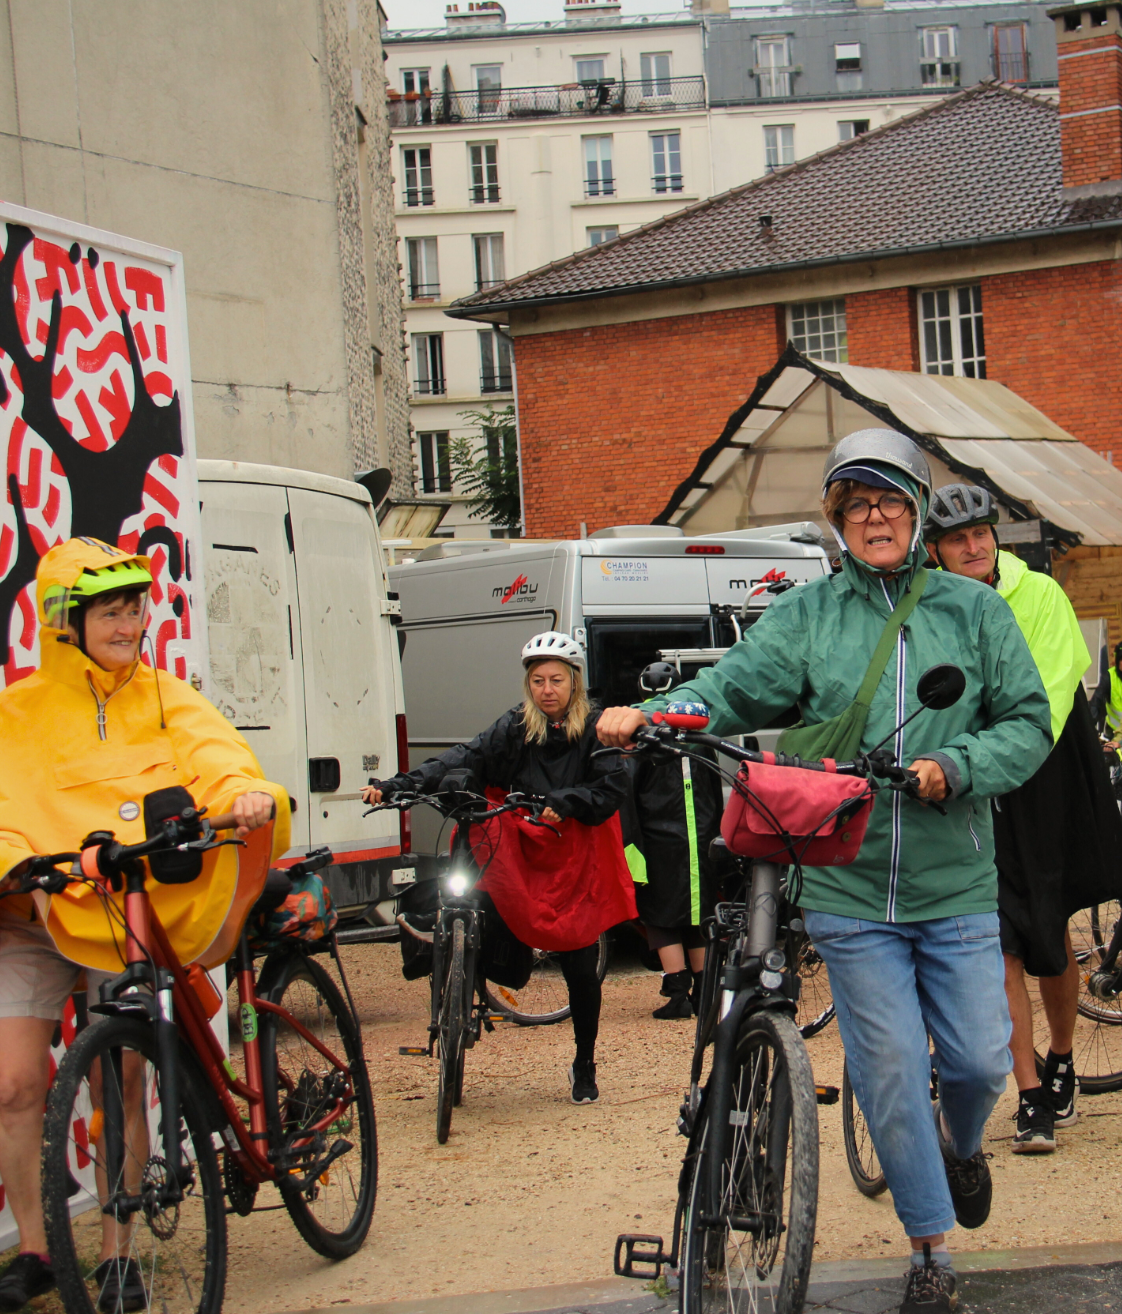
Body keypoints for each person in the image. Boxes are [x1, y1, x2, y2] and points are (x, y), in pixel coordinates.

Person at [597, 431, 1050, 1314]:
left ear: (918, 510)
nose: (874, 516)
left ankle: (962, 1145)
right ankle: (929, 1249)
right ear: (837, 521)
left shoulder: (974, 611)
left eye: (889, 500)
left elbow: (1027, 723)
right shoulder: (807, 616)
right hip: (845, 884)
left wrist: (955, 766)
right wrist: (654, 711)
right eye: (856, 504)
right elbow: (729, 688)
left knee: (979, 1060)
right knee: (884, 1067)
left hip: (953, 877)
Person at [0, 538, 288, 1314]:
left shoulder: (165, 697)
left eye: (135, 610)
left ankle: (119, 1251)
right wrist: (6, 859)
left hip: (125, 907)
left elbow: (216, 756)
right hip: (38, 912)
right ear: (66, 620)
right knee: (18, 1085)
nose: (129, 626)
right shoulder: (15, 712)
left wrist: (244, 794)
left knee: (119, 1077)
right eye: (111, 613)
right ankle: (35, 1252)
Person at [924, 483, 1122, 1156]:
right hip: (976, 783)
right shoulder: (930, 603)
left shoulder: (1039, 593)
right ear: (936, 550)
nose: (975, 544)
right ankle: (1030, 1092)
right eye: (959, 538)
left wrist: (973, 744)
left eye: (982, 532)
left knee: (1050, 935)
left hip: (1044, 774)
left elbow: (1040, 694)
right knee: (1001, 942)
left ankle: (1063, 1054)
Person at [363, 631, 635, 1103]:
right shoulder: (515, 726)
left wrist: (567, 801)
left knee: (579, 965)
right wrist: (397, 785)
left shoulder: (595, 728)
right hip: (519, 842)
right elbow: (463, 756)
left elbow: (613, 786)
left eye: (556, 680)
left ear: (574, 683)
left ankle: (584, 1063)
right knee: (469, 889)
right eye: (536, 681)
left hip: (570, 853)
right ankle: (460, 974)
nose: (546, 689)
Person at [620, 699, 720, 1019]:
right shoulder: (703, 745)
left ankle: (677, 994)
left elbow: (630, 801)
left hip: (659, 842)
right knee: (697, 914)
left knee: (660, 918)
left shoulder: (647, 747)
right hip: (700, 840)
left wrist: (630, 846)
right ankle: (705, 992)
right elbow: (715, 798)